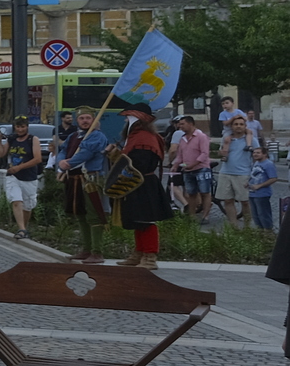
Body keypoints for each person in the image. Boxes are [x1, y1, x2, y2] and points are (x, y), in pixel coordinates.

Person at [108, 103, 176, 269]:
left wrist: (122, 163)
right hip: (135, 183)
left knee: (146, 221)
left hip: (143, 183)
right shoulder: (135, 136)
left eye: (129, 117)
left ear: (138, 119)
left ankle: (150, 256)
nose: (126, 119)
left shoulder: (144, 138)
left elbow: (140, 163)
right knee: (137, 220)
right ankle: (139, 253)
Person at [55, 106, 112, 262]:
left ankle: (97, 252)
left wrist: (69, 163)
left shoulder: (97, 136)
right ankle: (86, 250)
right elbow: (63, 149)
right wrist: (61, 161)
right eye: (82, 118)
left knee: (94, 215)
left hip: (90, 179)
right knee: (80, 214)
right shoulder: (73, 136)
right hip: (74, 180)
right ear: (77, 120)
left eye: (88, 118)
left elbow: (85, 153)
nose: (85, 121)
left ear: (93, 120)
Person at [0, 115, 44, 240]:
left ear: (27, 127)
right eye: (17, 127)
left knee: (28, 205)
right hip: (13, 176)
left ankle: (24, 227)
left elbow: (37, 159)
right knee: (16, 200)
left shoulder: (33, 139)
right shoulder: (12, 139)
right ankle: (21, 229)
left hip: (29, 176)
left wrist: (20, 167)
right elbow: (1, 153)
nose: (20, 130)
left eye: (22, 127)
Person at [217, 114, 261, 229]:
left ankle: (247, 227)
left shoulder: (252, 140)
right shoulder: (227, 139)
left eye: (241, 124)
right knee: (228, 200)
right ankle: (234, 226)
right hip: (225, 172)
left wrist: (255, 173)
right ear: (231, 126)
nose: (238, 126)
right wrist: (221, 153)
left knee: (245, 201)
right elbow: (220, 152)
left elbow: (257, 156)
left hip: (243, 174)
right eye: (236, 124)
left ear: (245, 126)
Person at [170, 116, 212, 218]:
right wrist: (175, 165)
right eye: (179, 124)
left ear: (190, 124)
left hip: (201, 168)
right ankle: (192, 215)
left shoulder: (201, 136)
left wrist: (193, 164)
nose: (180, 126)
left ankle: (205, 216)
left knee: (204, 192)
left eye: (182, 124)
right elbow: (180, 154)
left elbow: (204, 153)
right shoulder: (183, 139)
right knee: (191, 193)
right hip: (187, 170)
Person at [251, 143, 277, 233]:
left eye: (258, 153)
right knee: (255, 215)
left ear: (264, 154)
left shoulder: (269, 164)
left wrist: (260, 185)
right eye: (254, 153)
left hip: (262, 193)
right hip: (252, 193)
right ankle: (260, 232)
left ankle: (268, 232)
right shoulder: (256, 163)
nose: (255, 154)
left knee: (263, 214)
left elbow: (273, 178)